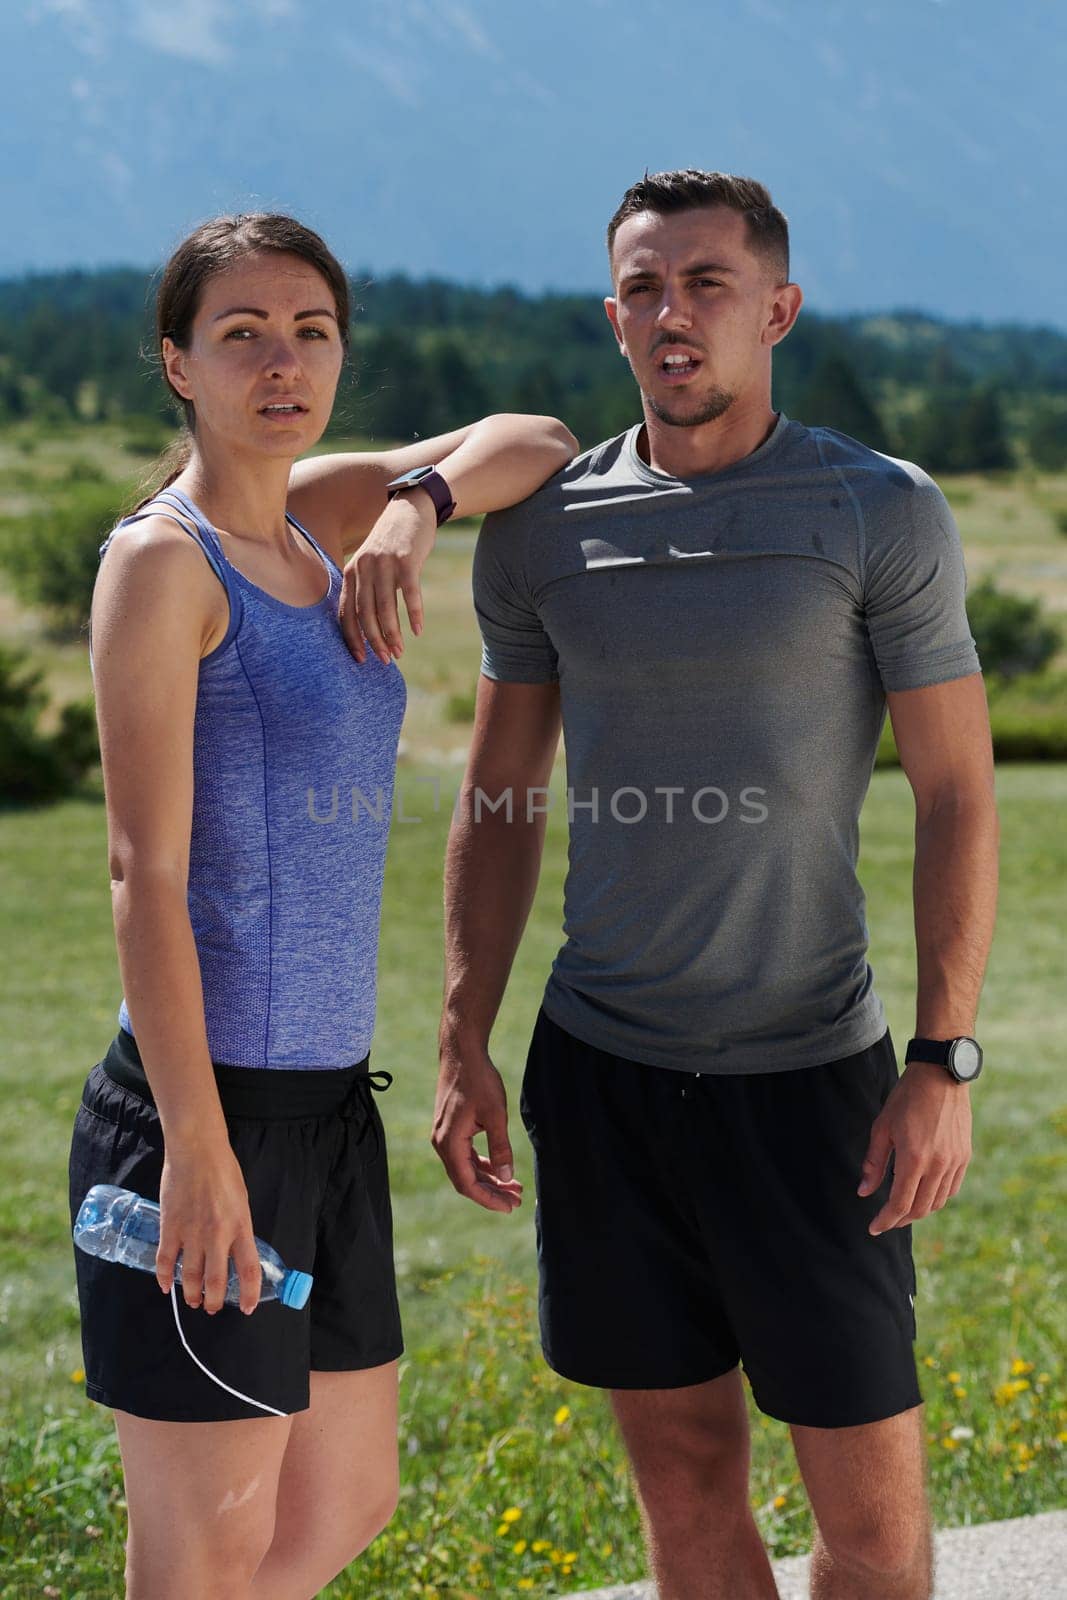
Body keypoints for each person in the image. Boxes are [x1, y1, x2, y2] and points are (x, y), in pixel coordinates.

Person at [432, 170, 998, 1600]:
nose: (671, 315)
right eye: (643, 287)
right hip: (605, 1078)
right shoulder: (546, 528)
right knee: (684, 1499)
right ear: (611, 311)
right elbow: (499, 798)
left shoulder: (878, 509)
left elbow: (956, 793)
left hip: (815, 1089)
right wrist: (463, 1036)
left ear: (778, 310)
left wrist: (944, 1058)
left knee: (869, 1532)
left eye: (706, 285)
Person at [67, 210, 576, 1600]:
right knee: (206, 1543)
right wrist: (195, 1147)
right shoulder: (164, 566)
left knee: (350, 1495)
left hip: (329, 1110)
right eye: (240, 335)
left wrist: (419, 505)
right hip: (204, 1110)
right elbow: (141, 877)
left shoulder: (323, 514)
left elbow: (534, 437)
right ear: (179, 363)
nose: (281, 364)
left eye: (311, 332)